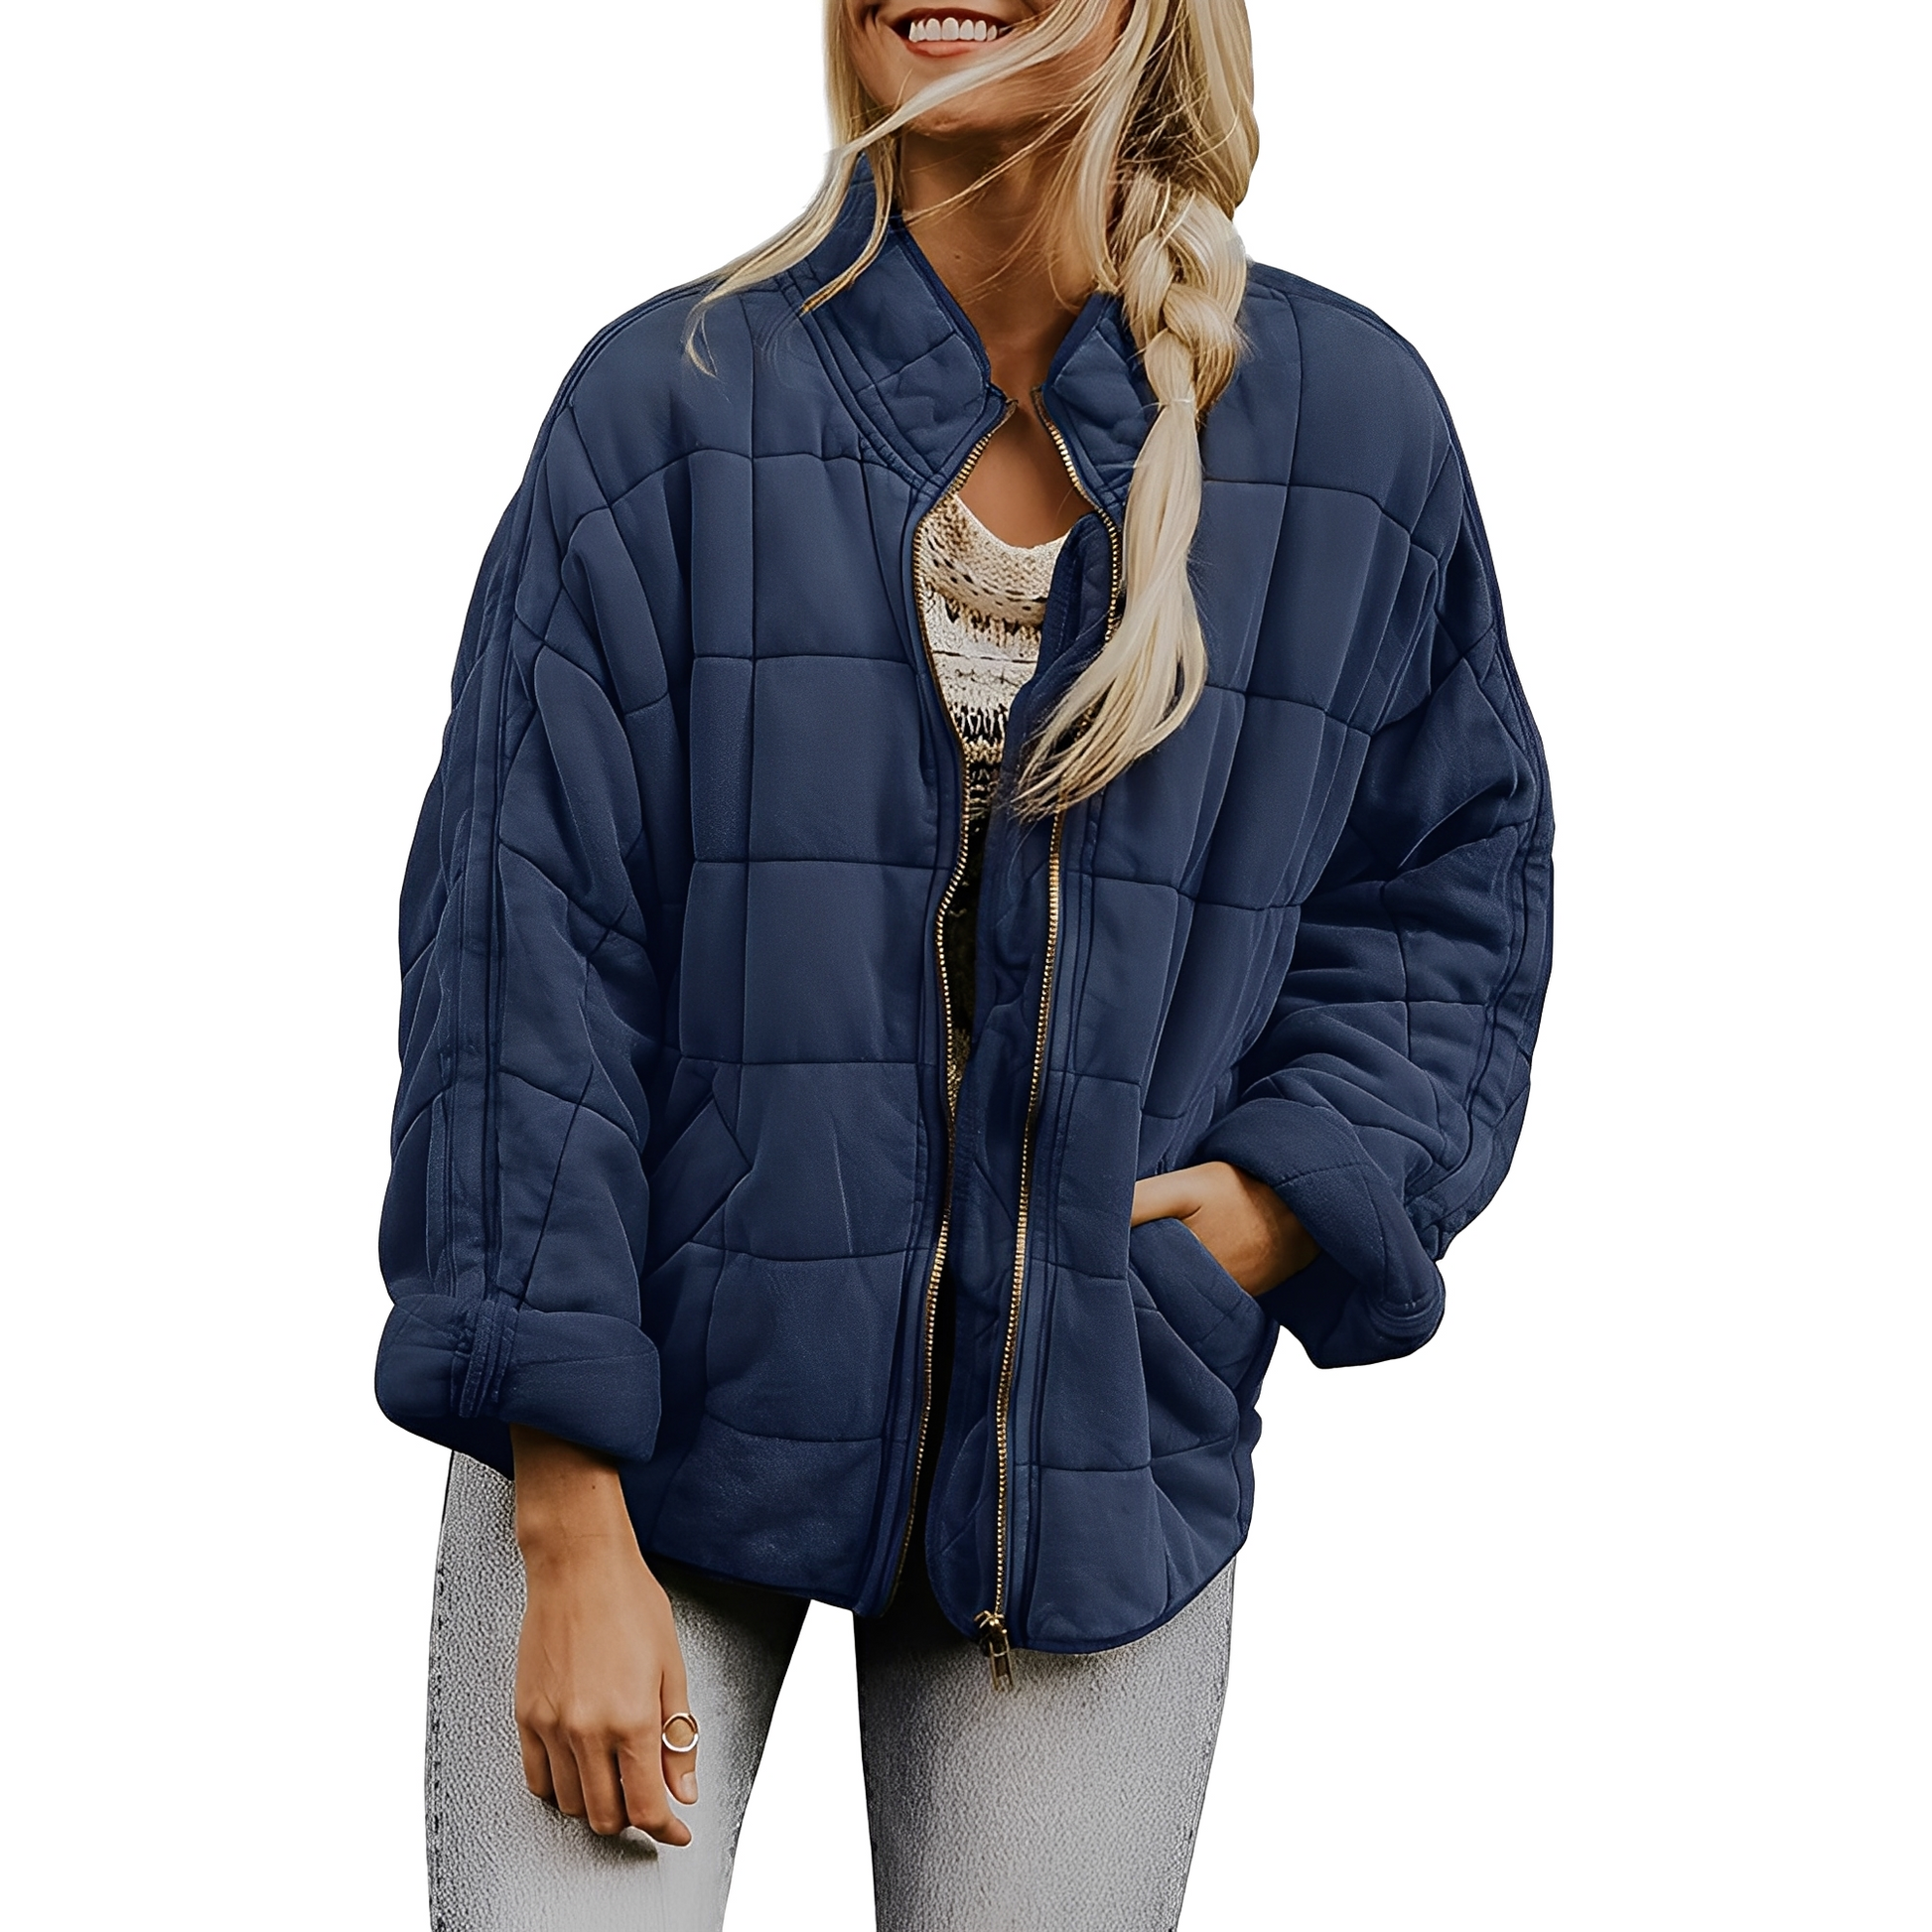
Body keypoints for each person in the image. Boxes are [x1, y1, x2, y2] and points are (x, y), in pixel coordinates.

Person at [374, 2, 1554, 1925]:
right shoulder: (666, 404)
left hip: (1091, 1454)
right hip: (638, 1432)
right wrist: (568, 1507)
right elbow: (522, 958)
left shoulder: (1348, 431)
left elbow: (1451, 878)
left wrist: (1283, 1199)